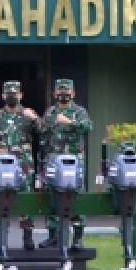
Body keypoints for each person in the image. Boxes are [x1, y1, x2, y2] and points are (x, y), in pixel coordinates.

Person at [0, 80, 41, 250]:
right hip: (2, 165)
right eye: (8, 94)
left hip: (24, 163)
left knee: (26, 199)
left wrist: (36, 119)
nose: (12, 96)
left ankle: (28, 237)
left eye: (15, 94)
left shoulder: (28, 115)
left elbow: (45, 132)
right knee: (2, 199)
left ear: (20, 95)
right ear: (3, 96)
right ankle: (1, 237)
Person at [41, 78, 92, 247]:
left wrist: (70, 122)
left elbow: (88, 127)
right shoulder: (50, 112)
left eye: (66, 91)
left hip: (74, 160)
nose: (63, 94)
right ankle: (53, 235)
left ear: (73, 93)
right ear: (55, 93)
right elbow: (43, 132)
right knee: (52, 195)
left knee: (76, 196)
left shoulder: (79, 111)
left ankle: (77, 238)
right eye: (60, 92)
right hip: (54, 159)